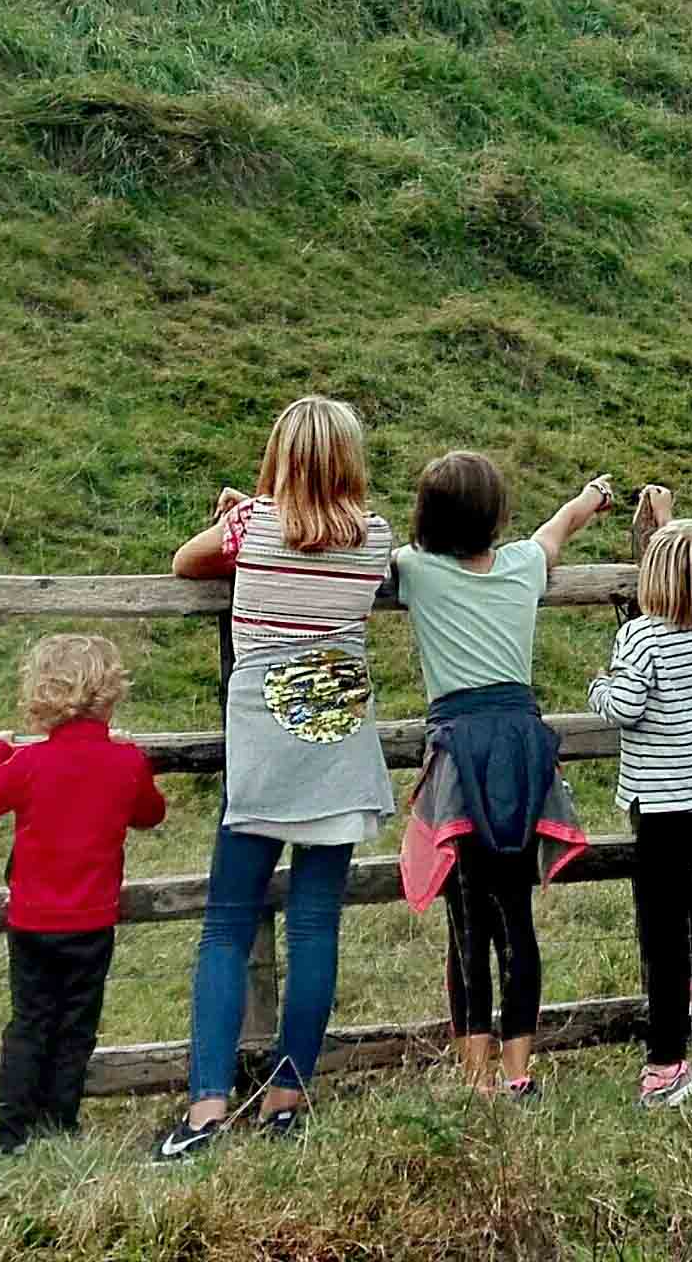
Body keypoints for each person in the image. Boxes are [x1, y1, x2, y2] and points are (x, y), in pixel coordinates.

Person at [153, 395, 395, 1162]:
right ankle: (289, 1095)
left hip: (262, 745)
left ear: (279, 457)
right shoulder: (378, 538)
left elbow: (185, 562)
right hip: (338, 740)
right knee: (317, 923)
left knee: (227, 925)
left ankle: (207, 1105)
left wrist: (244, 509)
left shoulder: (248, 526)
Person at [393, 452, 610, 1100]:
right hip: (520, 746)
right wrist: (588, 499)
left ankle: (477, 1074)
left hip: (461, 750)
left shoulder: (416, 572)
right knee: (515, 915)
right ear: (496, 514)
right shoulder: (520, 565)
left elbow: (354, 547)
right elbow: (556, 532)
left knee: (467, 917)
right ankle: (520, 1070)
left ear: (428, 515)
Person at [0, 635, 166, 1153]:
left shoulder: (28, 765)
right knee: (76, 1026)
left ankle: (11, 1133)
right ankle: (59, 1122)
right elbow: (150, 814)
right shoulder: (125, 762)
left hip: (32, 921)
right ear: (110, 694)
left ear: (42, 694)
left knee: (29, 1022)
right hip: (93, 922)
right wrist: (128, 758)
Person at [586, 510, 692, 1109]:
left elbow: (624, 707)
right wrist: (672, 525)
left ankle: (667, 1059)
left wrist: (599, 685)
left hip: (662, 795)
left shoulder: (641, 636)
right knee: (681, 885)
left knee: (658, 921)